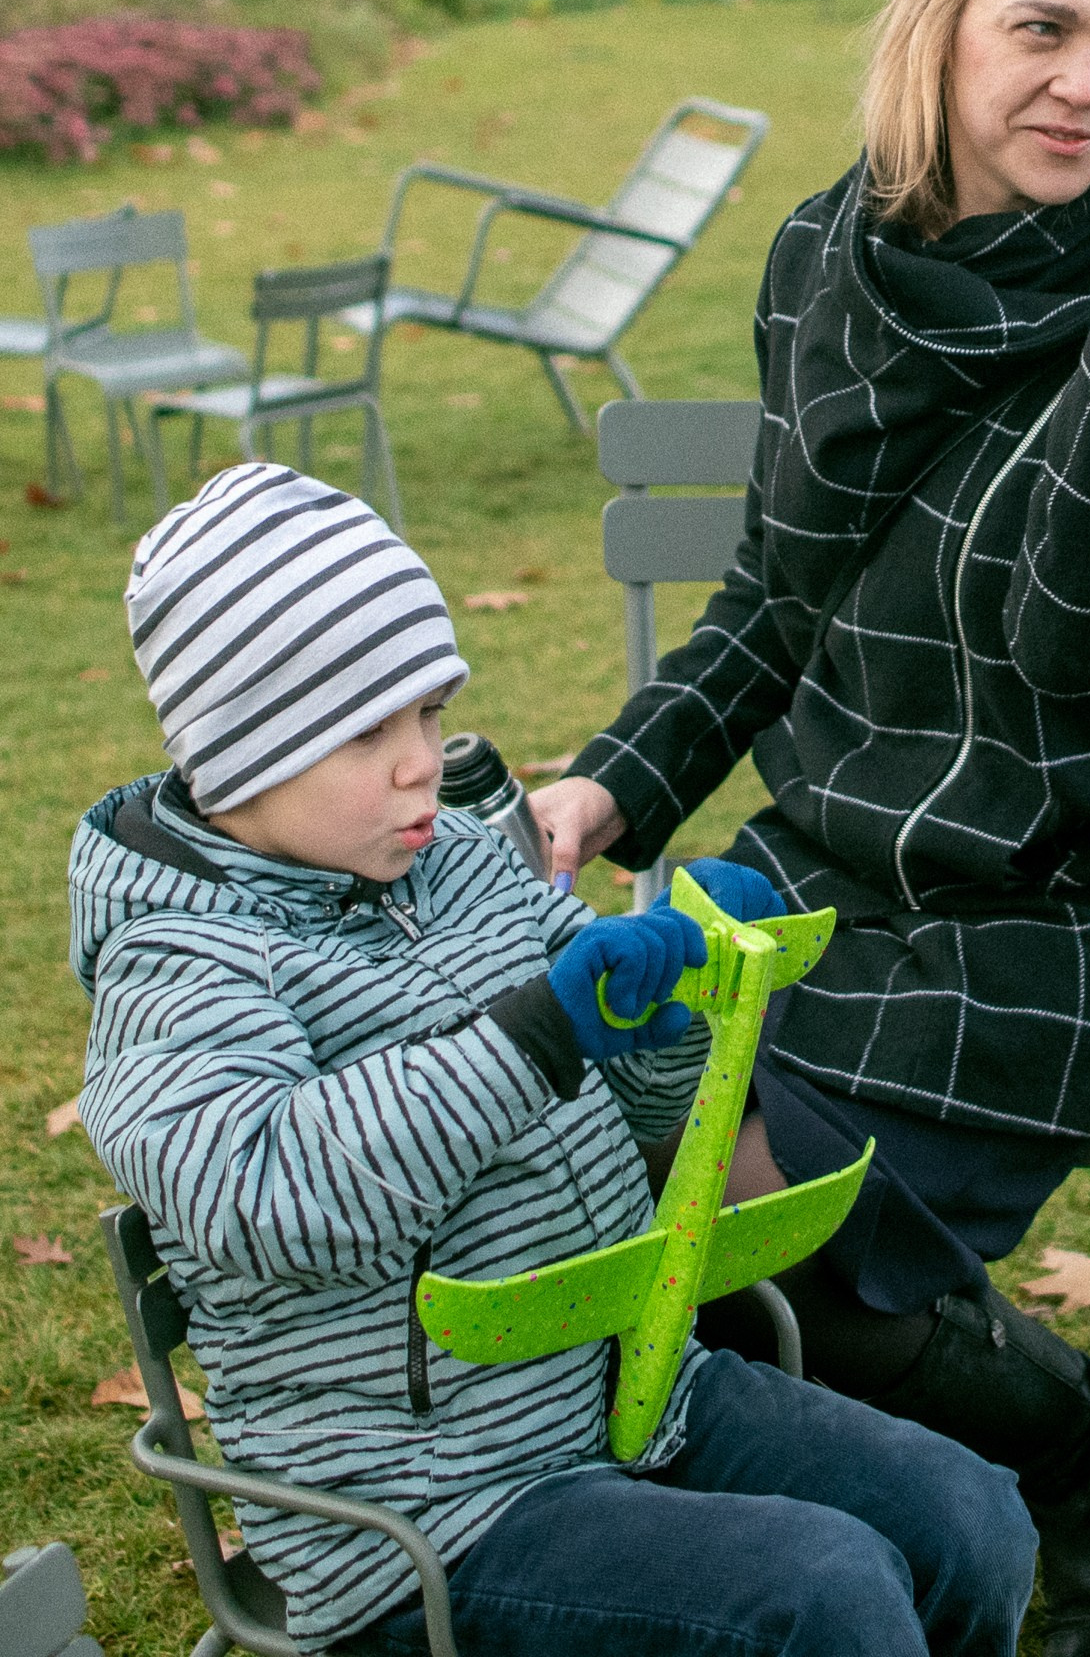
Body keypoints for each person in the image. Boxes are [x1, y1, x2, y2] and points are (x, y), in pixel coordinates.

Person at [532, 0, 1090, 1657]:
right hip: (839, 858)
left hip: (1079, 897)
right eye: (1043, 28)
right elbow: (772, 607)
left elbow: (1075, 651)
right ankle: (881, 1492)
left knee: (732, 1215)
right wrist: (603, 784)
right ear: (940, 29)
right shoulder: (822, 262)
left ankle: (1077, 1454)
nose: (1086, 83)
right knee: (575, 1133)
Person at [72, 461, 1036, 1657]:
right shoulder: (179, 965)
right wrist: (532, 1037)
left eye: (427, 710)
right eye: (366, 731)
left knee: (967, 1517)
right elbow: (272, 1198)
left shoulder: (465, 864)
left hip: (629, 1392)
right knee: (821, 1595)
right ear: (240, 754)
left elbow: (638, 1106)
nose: (421, 759)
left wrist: (687, 1006)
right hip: (422, 1509)